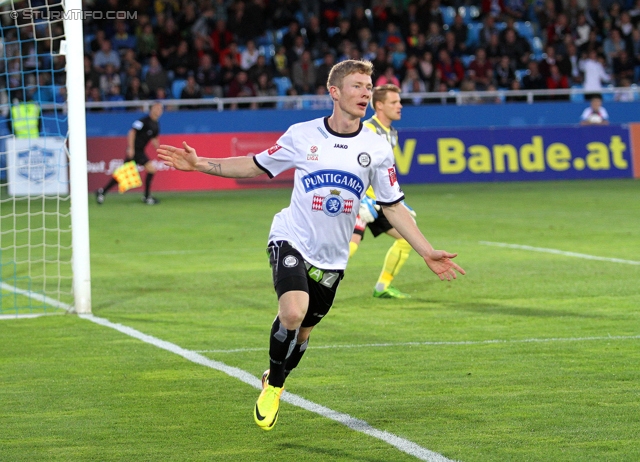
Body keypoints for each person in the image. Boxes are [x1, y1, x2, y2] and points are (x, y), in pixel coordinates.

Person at [157, 60, 465, 431]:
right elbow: (255, 165)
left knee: (303, 334)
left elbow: (392, 205)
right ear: (334, 92)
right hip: (291, 237)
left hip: (332, 259)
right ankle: (275, 386)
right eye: (357, 86)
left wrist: (426, 250)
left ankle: (274, 376)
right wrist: (202, 164)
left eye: (368, 86)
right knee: (292, 312)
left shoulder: (377, 147)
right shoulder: (302, 135)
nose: (365, 93)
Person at [349, 84, 417, 299]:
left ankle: (382, 287)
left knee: (408, 237)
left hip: (379, 203)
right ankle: (300, 271)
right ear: (379, 105)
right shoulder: (368, 130)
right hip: (361, 201)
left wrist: (397, 199)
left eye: (399, 101)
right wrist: (360, 199)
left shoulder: (391, 133)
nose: (400, 106)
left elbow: (384, 172)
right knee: (348, 248)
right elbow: (354, 165)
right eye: (394, 102)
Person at [96, 102, 163, 205]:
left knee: (126, 174)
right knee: (126, 174)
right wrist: (131, 148)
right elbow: (131, 132)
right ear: (152, 109)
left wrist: (161, 150)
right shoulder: (143, 121)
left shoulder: (156, 125)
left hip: (140, 152)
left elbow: (154, 140)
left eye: (160, 109)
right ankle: (147, 197)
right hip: (135, 151)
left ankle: (102, 191)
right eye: (157, 108)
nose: (158, 111)